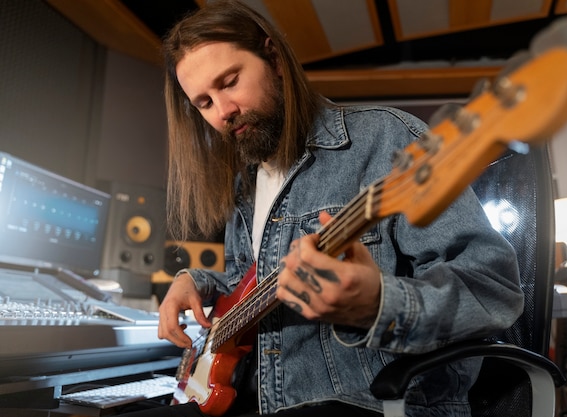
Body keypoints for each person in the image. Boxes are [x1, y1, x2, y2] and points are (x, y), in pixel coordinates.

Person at [123, 1, 524, 416]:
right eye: (204, 103)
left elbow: (492, 287)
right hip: (254, 397)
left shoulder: (388, 138)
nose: (223, 112)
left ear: (274, 58)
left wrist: (378, 304)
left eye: (229, 82)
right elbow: (248, 283)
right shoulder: (247, 182)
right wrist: (198, 281)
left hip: (372, 404)